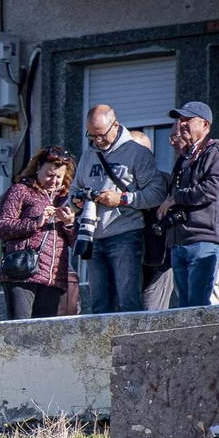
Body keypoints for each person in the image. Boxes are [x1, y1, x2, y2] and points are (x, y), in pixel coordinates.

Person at [73, 105, 168, 313]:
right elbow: (74, 189)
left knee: (128, 303)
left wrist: (122, 199)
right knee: (99, 306)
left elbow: (157, 193)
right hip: (93, 237)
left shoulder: (137, 153)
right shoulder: (88, 155)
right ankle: (104, 346)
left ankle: (131, 346)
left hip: (126, 235)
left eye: (100, 135)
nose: (96, 141)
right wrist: (75, 203)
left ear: (115, 125)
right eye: (91, 135)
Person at [158, 101, 219, 308]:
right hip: (180, 241)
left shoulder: (216, 152)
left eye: (188, 120)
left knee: (202, 308)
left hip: (204, 240)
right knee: (185, 310)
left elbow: (214, 187)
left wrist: (176, 198)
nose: (182, 125)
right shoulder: (184, 158)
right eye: (180, 120)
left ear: (205, 125)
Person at [0, 146, 77, 320]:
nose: (53, 181)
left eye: (59, 176)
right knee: (20, 329)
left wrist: (69, 224)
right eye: (49, 174)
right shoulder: (21, 190)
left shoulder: (67, 198)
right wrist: (35, 223)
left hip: (53, 276)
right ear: (38, 167)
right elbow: (1, 226)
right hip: (21, 272)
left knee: (43, 335)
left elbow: (76, 242)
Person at [131, 130, 177, 311]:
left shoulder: (166, 182)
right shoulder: (117, 188)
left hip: (160, 261)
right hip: (127, 261)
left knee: (153, 318)